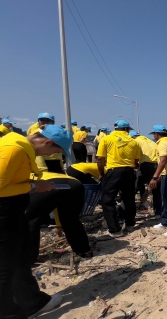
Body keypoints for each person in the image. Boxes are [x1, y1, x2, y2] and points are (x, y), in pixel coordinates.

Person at [0, 124, 71, 318]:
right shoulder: (14, 148)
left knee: (20, 259)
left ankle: (32, 303)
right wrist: (33, 187)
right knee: (5, 268)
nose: (51, 156)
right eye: (55, 151)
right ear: (47, 142)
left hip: (14, 212)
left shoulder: (21, 148)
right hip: (3, 214)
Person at [96, 120, 141, 237]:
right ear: (127, 129)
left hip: (113, 171)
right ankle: (130, 224)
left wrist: (101, 173)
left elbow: (100, 159)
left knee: (108, 200)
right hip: (129, 171)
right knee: (129, 199)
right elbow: (136, 160)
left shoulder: (106, 139)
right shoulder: (134, 141)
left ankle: (115, 230)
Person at [131, 131, 162, 216]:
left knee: (133, 189)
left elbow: (134, 156)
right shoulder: (151, 142)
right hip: (156, 166)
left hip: (144, 166)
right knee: (156, 191)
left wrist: (134, 165)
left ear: (133, 137)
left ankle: (125, 212)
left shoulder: (136, 141)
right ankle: (158, 213)